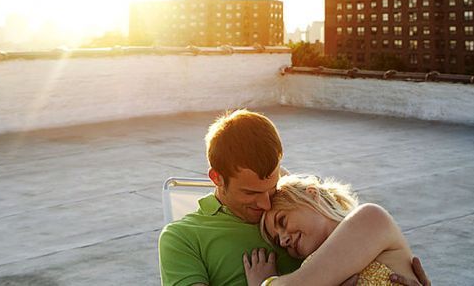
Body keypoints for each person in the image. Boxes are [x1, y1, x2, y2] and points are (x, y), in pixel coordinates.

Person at [158, 109, 429, 286]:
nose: (265, 204)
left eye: (272, 188)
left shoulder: (302, 213)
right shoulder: (182, 237)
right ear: (216, 179)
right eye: (250, 193)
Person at [244, 175, 418, 286]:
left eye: (282, 220)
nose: (283, 241)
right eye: (277, 241)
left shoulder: (370, 217)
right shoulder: (312, 271)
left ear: (312, 195)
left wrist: (264, 282)